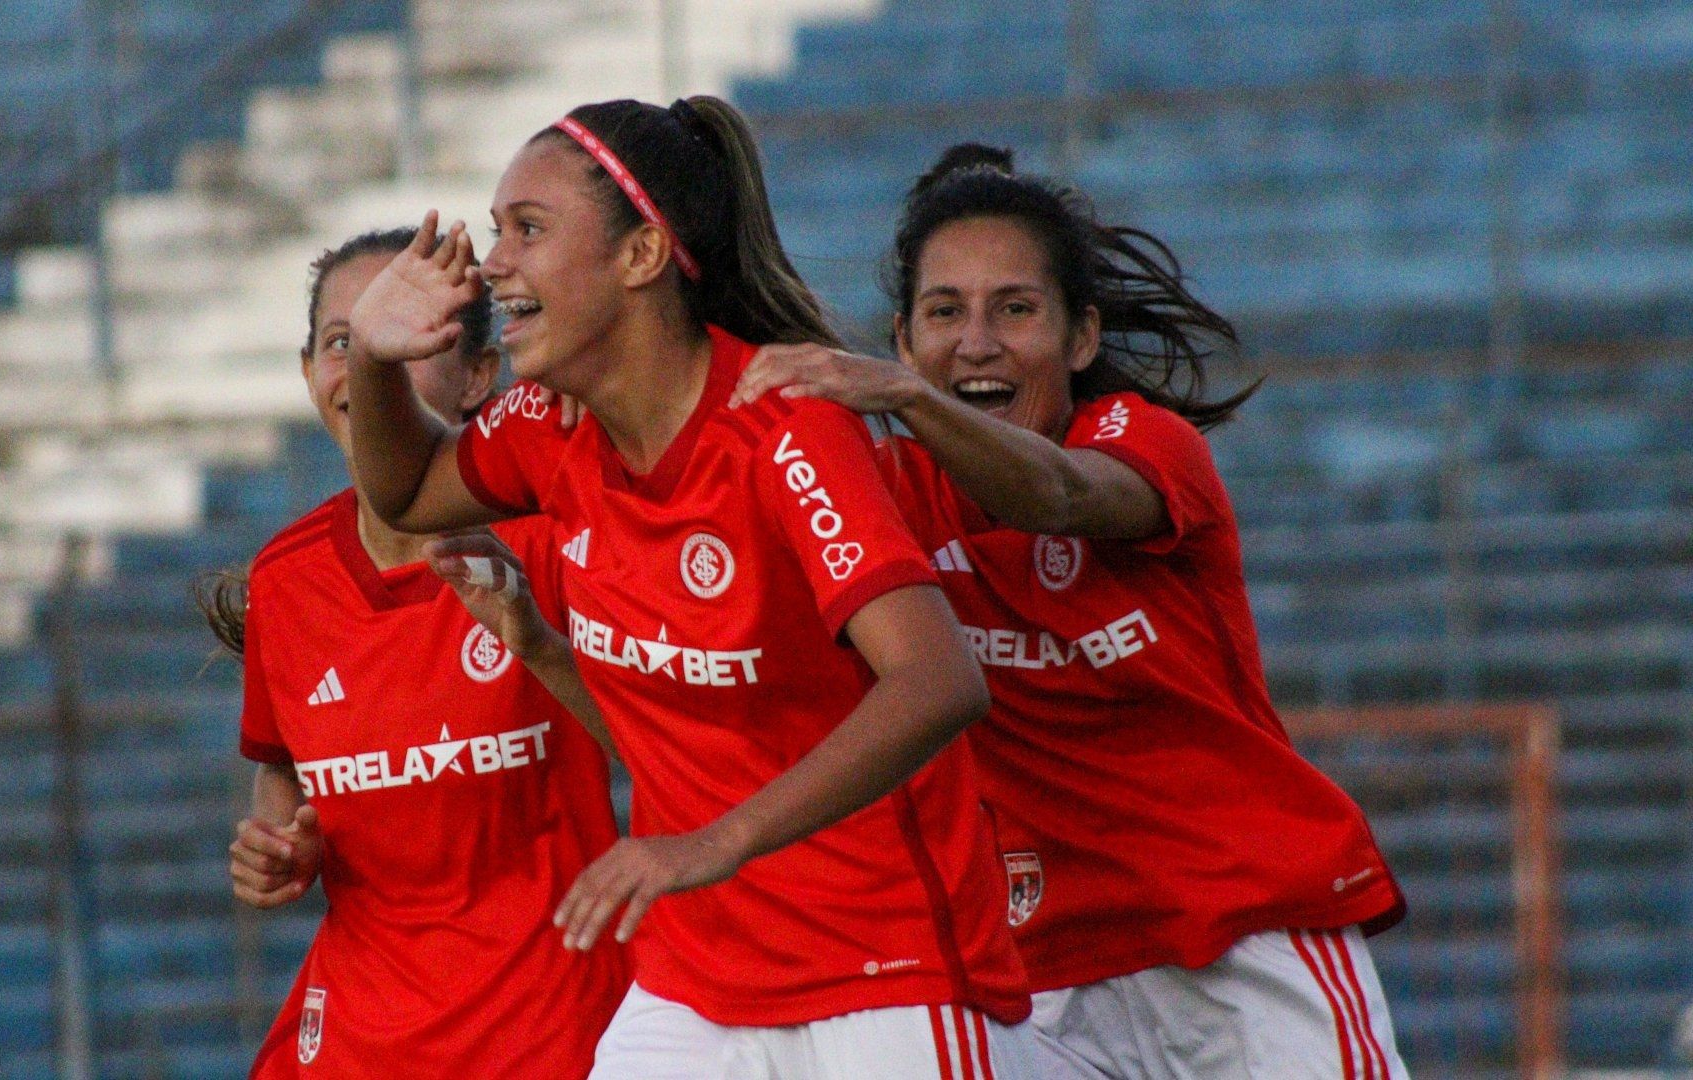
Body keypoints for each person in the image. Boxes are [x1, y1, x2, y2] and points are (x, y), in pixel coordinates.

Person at [343, 98, 1040, 1078]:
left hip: (885, 969)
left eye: (528, 229)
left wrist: (719, 842)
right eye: (497, 228)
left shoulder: (785, 426)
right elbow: (408, 490)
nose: (494, 262)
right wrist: (374, 362)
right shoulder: (548, 423)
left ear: (641, 257)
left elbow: (938, 681)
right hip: (695, 982)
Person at [731, 144, 1411, 1079]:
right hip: (1043, 977)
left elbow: (1058, 498)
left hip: (1234, 938)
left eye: (1014, 309)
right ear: (901, 338)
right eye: (944, 313)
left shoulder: (1142, 443)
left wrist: (903, 401)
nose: (975, 342)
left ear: (1081, 338)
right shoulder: (878, 496)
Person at [202, 228, 628, 1078]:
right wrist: (281, 846)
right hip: (362, 1031)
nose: (367, 362)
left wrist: (540, 648)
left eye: (407, 335)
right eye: (344, 342)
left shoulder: (552, 538)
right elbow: (286, 768)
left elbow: (665, 746)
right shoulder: (284, 580)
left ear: (478, 374)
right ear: (309, 375)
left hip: (547, 1026)